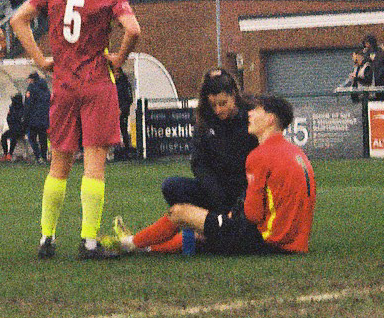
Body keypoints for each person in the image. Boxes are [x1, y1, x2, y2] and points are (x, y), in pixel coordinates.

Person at [9, 0, 143, 260]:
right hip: (96, 81)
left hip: (65, 84)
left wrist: (41, 60)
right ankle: (89, 242)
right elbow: (133, 29)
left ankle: (46, 238)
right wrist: (119, 58)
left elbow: (18, 20)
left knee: (59, 162)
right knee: (95, 161)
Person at [118, 95, 314, 256]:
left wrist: (227, 218)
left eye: (256, 110)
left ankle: (129, 243)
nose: (250, 114)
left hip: (266, 243)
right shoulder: (297, 153)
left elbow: (253, 214)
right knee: (205, 231)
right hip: (294, 244)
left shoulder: (260, 155)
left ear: (270, 119)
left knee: (180, 212)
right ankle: (144, 246)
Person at [122, 70, 254, 256]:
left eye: (223, 104)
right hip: (216, 191)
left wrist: (239, 201)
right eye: (213, 105)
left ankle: (202, 231)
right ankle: (200, 225)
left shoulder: (252, 118)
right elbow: (198, 163)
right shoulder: (205, 121)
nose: (218, 110)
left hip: (244, 191)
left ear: (234, 95)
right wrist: (216, 193)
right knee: (172, 186)